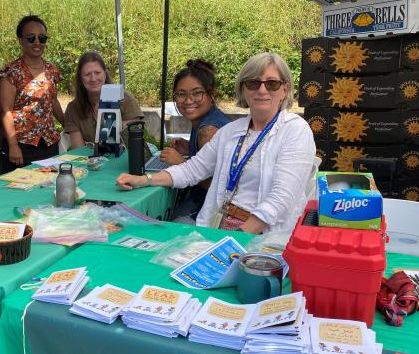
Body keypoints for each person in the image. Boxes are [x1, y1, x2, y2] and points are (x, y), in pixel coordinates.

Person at [116, 52, 316, 234]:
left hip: (261, 236)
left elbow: (281, 199)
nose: (262, 90)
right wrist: (144, 180)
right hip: (218, 225)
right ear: (243, 90)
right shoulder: (231, 131)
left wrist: (237, 236)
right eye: (253, 83)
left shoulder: (295, 130)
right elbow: (192, 169)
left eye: (271, 83)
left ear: (284, 90)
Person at [160, 59, 231, 221]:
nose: (188, 100)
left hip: (211, 214)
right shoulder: (203, 121)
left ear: (212, 94)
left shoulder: (208, 130)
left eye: (197, 93)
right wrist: (191, 151)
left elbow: (217, 187)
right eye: (181, 94)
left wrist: (181, 163)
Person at [0, 15, 64, 171]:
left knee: (48, 187)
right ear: (21, 40)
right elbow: (5, 111)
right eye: (30, 38)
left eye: (42, 38)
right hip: (22, 146)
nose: (37, 42)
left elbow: (53, 102)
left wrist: (69, 125)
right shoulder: (12, 72)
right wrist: (13, 145)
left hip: (49, 143)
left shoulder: (52, 70)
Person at [63, 51, 143, 148]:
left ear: (105, 74)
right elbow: (79, 150)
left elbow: (130, 142)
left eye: (97, 73)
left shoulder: (125, 99)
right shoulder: (73, 109)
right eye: (87, 74)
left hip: (127, 158)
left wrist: (106, 119)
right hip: (93, 161)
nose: (93, 78)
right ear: (80, 78)